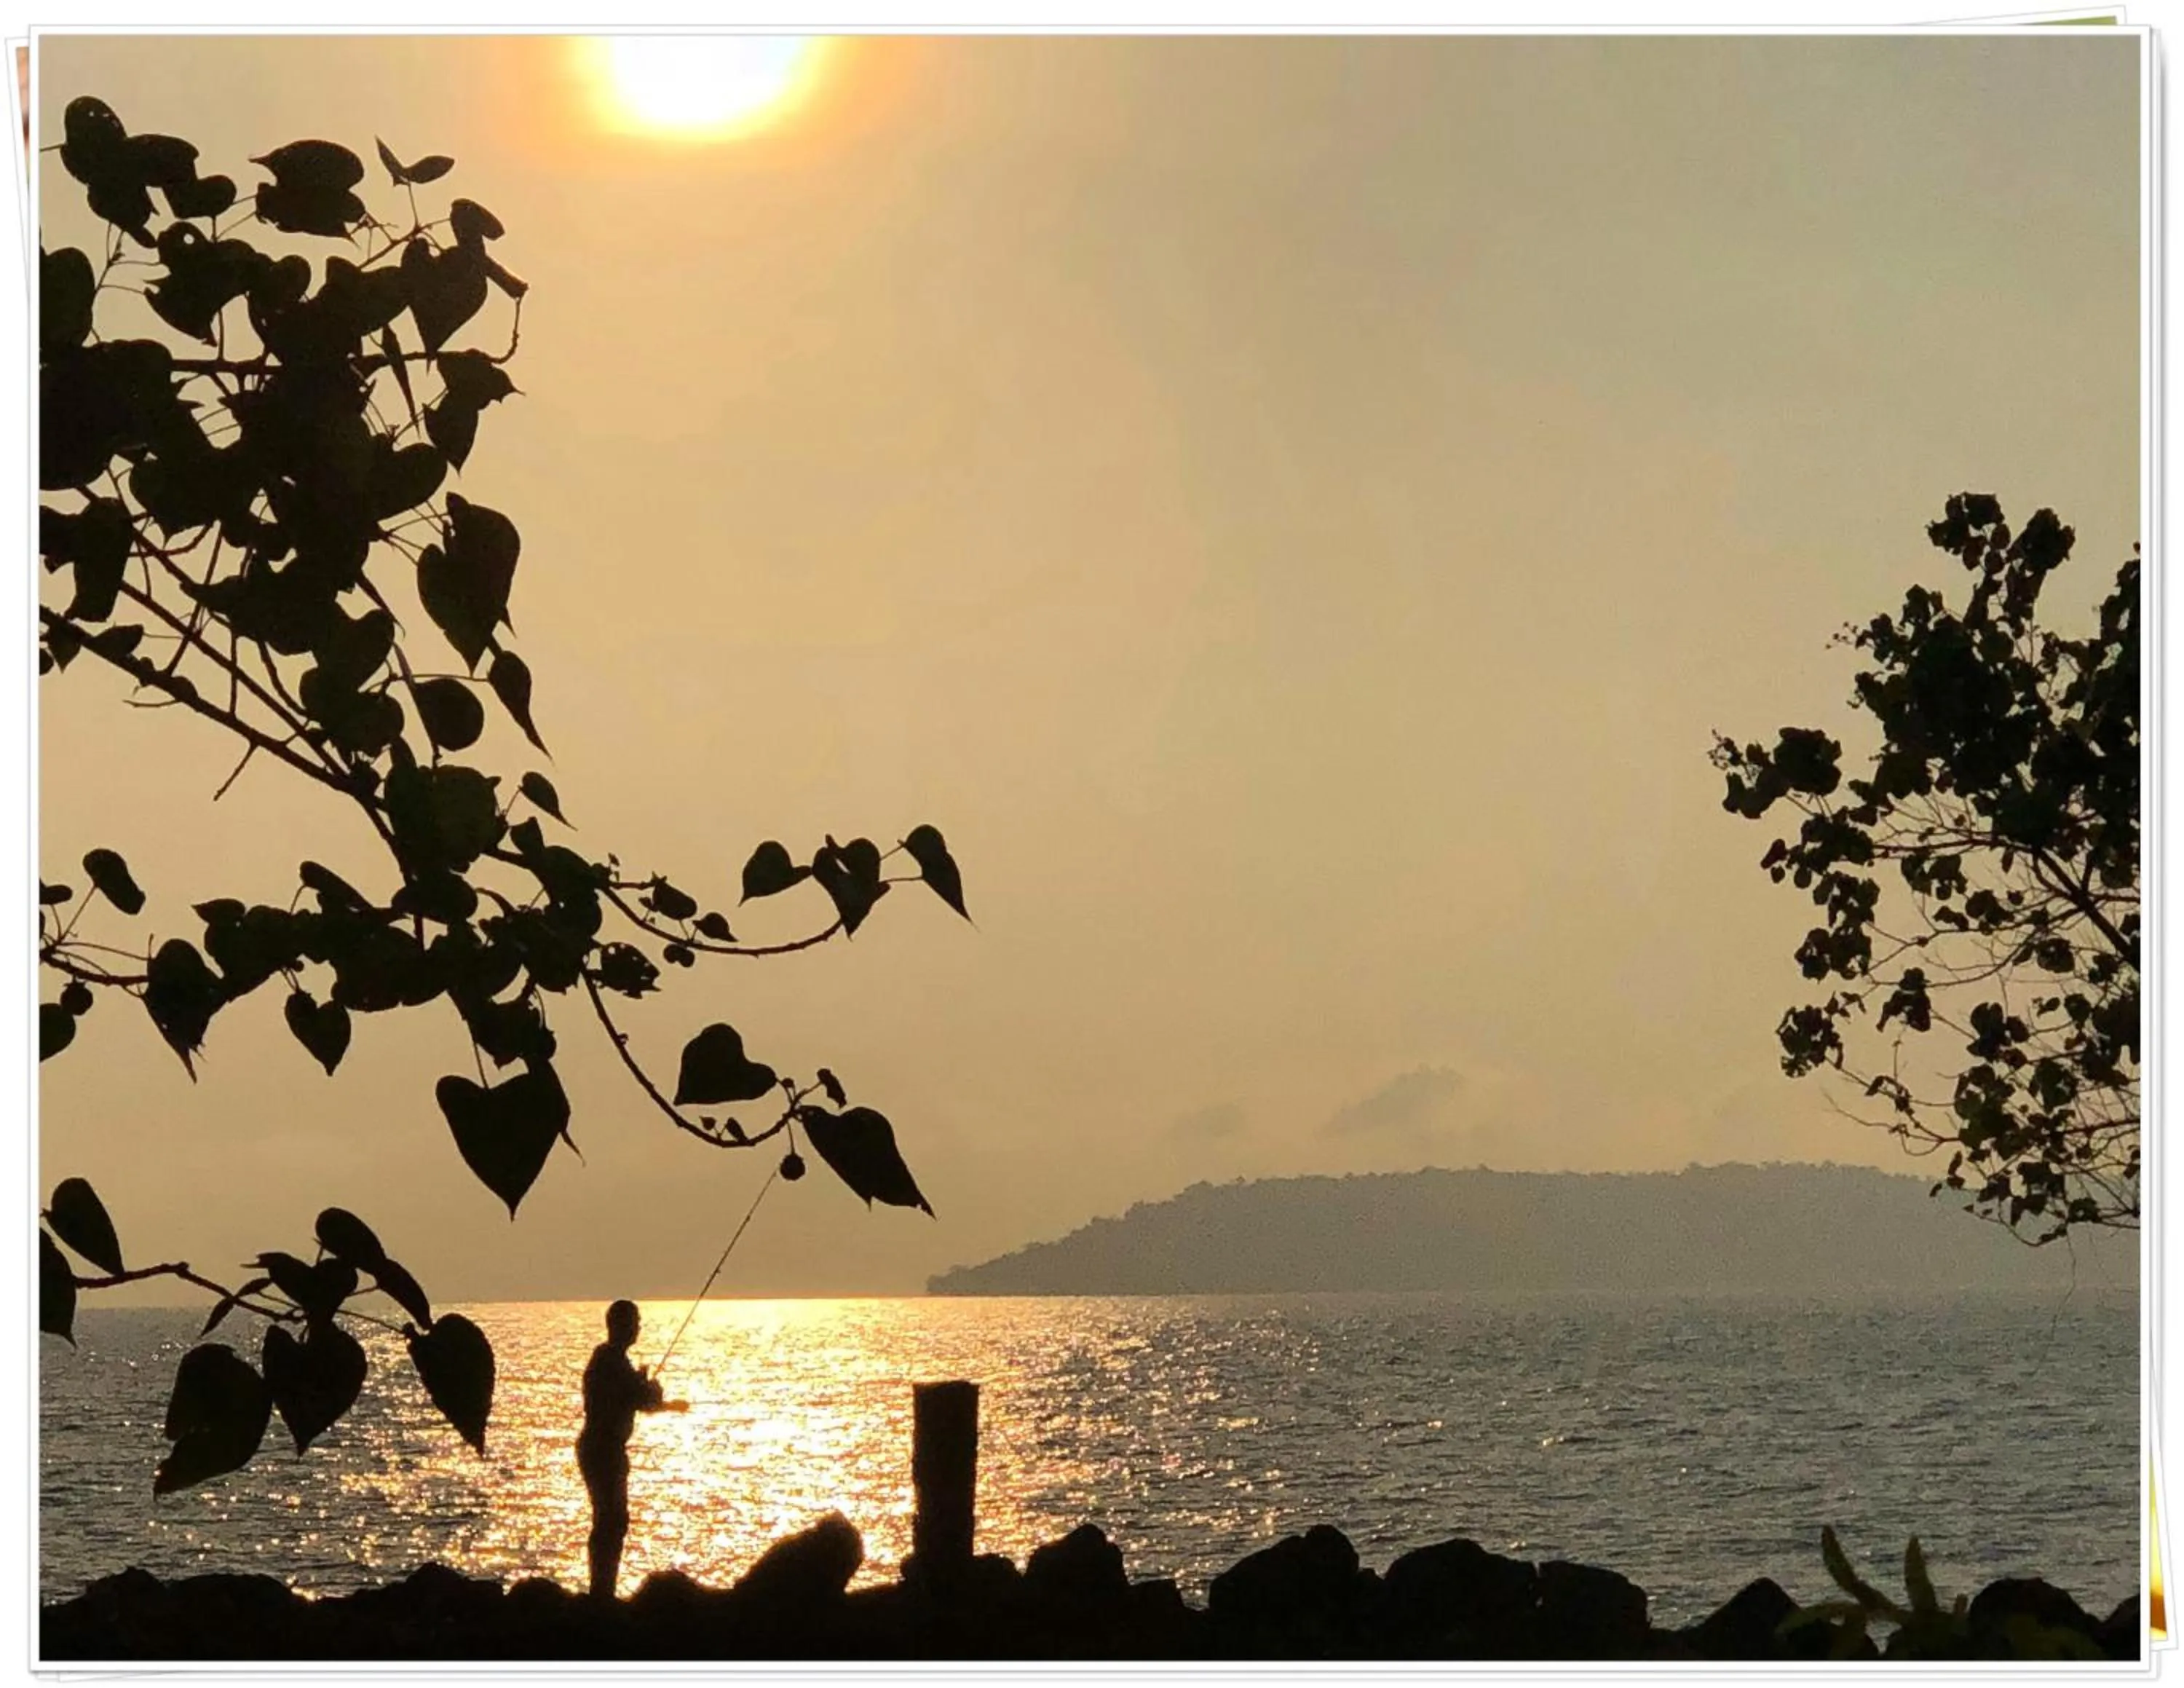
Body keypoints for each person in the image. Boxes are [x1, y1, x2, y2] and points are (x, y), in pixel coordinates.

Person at [576, 1299, 684, 1598]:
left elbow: (638, 1400)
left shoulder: (612, 1361)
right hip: (603, 1450)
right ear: (620, 1326)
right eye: (634, 1322)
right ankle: (602, 1591)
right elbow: (639, 1398)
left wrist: (665, 1403)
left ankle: (603, 1588)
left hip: (604, 1449)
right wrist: (651, 1391)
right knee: (610, 1520)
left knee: (612, 1520)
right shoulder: (609, 1362)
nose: (638, 1328)